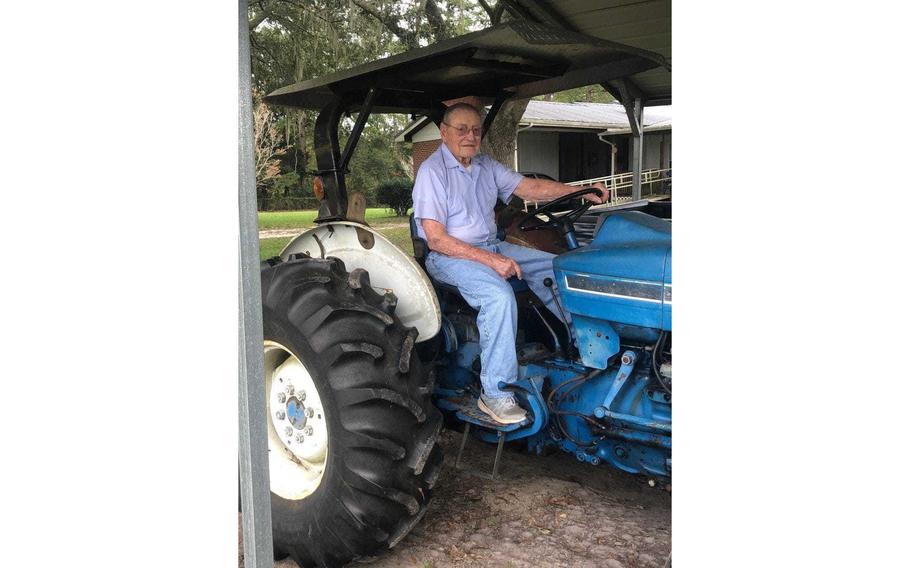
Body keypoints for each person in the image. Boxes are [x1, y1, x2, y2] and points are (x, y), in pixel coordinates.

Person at [412, 102, 607, 424]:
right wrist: (491, 260)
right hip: (449, 256)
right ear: (444, 133)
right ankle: (495, 394)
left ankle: (585, 348)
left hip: (491, 245)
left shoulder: (485, 165)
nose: (470, 136)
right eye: (461, 129)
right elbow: (436, 239)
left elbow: (530, 187)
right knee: (497, 296)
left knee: (558, 268)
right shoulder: (432, 173)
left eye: (476, 130)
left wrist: (581, 191)